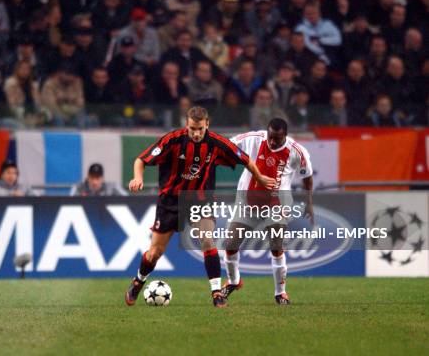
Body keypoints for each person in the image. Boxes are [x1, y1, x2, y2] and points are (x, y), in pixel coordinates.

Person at [125, 106, 276, 308]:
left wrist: (259, 177)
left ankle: (216, 293)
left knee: (207, 240)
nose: (196, 134)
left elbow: (245, 159)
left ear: (207, 125)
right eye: (192, 129)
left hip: (199, 200)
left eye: (200, 129)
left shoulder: (216, 142)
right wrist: (138, 178)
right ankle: (138, 282)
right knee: (154, 253)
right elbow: (140, 160)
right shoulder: (172, 139)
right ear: (186, 125)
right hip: (170, 202)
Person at [224, 118, 314, 306]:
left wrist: (309, 202)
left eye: (277, 139)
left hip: (277, 205)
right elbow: (228, 144)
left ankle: (280, 293)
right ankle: (233, 281)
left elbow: (307, 177)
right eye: (270, 137)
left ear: (285, 136)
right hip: (247, 201)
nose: (272, 142)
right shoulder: (254, 138)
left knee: (276, 246)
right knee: (231, 244)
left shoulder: (297, 152)